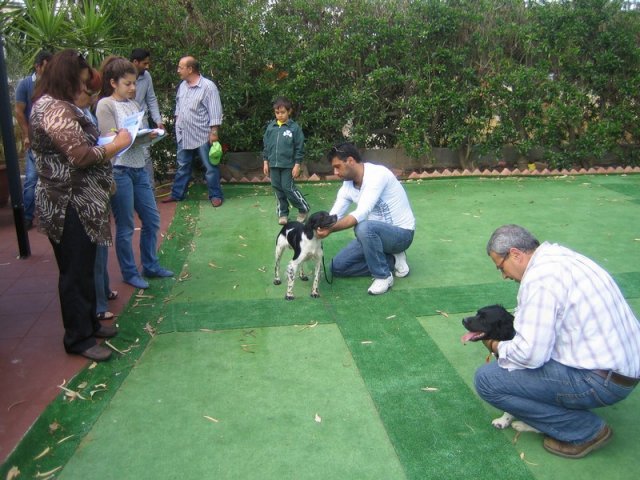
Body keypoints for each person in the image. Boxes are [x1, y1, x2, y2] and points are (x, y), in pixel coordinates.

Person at [475, 224, 640, 458]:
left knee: (487, 380)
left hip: (603, 380)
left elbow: (529, 355)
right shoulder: (562, 256)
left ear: (515, 254)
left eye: (501, 267)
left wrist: (496, 346)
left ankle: (585, 431)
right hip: (628, 367)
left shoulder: (539, 280)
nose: (503, 275)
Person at [30, 49, 132, 361]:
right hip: (65, 204)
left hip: (79, 202)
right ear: (68, 78)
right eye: (83, 82)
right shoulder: (52, 108)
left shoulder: (58, 105)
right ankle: (78, 338)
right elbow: (80, 155)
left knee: (85, 267)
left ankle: (89, 324)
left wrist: (104, 142)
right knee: (74, 272)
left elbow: (79, 147)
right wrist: (117, 144)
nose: (85, 89)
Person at [96, 57, 174, 290]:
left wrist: (149, 136)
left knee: (152, 219)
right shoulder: (105, 105)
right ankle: (130, 272)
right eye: (127, 84)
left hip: (139, 168)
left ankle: (150, 264)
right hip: (119, 170)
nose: (133, 88)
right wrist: (134, 138)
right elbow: (109, 142)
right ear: (113, 83)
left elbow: (133, 139)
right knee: (126, 226)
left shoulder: (134, 105)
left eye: (134, 83)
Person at [316, 142, 415, 295]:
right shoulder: (347, 186)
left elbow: (360, 213)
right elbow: (334, 216)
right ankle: (393, 260)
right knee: (338, 267)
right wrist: (319, 228)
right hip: (374, 236)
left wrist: (331, 230)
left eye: (337, 166)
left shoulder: (377, 175)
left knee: (363, 227)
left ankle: (383, 276)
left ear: (350, 161)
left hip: (401, 234)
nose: (335, 172)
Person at [162, 55, 224, 207]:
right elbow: (178, 106)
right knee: (182, 166)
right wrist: (177, 121)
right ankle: (177, 194)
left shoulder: (208, 86)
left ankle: (215, 195)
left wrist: (214, 132)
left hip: (202, 135)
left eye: (180, 67)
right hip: (184, 134)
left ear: (190, 69)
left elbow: (215, 111)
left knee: (210, 167)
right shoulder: (182, 85)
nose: (178, 71)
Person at [14, 50, 53, 230]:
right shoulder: (25, 85)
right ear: (37, 66)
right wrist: (26, 134)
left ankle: (50, 217)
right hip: (35, 140)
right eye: (46, 68)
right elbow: (19, 111)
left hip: (52, 140)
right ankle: (27, 217)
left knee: (51, 179)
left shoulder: (53, 84)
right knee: (31, 179)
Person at [262, 96, 309, 225]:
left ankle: (303, 208)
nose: (280, 115)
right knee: (277, 187)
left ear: (289, 111)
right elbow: (266, 146)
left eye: (283, 112)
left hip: (288, 165)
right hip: (273, 164)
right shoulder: (271, 127)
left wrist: (297, 164)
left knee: (288, 188)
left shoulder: (294, 128)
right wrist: (266, 162)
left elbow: (299, 147)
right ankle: (283, 213)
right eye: (277, 113)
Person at [130, 48, 164, 187]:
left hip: (142, 120)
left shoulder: (147, 76)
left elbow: (151, 99)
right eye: (144, 63)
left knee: (146, 155)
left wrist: (158, 121)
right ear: (135, 62)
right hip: (126, 120)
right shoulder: (122, 75)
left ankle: (150, 189)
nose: (147, 66)